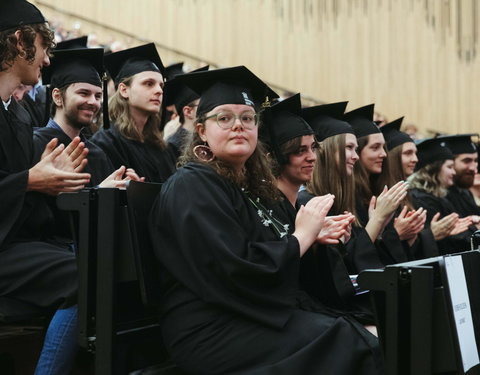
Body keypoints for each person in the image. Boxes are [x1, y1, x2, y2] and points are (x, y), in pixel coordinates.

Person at [149, 66, 383, 374]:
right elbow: (233, 268)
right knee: (352, 342)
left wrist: (313, 238)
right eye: (224, 118)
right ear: (202, 130)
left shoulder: (251, 187)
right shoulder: (191, 186)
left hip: (252, 315)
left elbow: (284, 251)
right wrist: (300, 238)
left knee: (367, 330)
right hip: (211, 329)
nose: (238, 126)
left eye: (247, 118)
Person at [0, 1, 91, 374]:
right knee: (85, 275)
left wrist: (57, 184)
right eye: (43, 46)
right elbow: (25, 183)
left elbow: (30, 197)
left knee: (98, 259)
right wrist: (30, 180)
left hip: (16, 242)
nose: (47, 60)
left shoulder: (18, 114)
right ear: (20, 41)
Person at [91, 43, 178, 182]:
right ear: (124, 90)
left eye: (161, 85)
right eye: (149, 83)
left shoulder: (160, 147)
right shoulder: (106, 144)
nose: (159, 91)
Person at [345, 104, 409, 265]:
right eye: (375, 148)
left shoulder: (376, 192)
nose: (384, 154)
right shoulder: (347, 197)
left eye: (383, 147)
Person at [380, 117, 441, 260]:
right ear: (391, 157)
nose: (415, 159)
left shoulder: (409, 196)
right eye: (408, 153)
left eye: (415, 153)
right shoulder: (381, 196)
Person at [408, 138, 474, 254]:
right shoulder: (423, 201)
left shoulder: (439, 198)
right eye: (449, 167)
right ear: (433, 170)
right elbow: (449, 239)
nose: (453, 173)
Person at [162, 65, 209, 148]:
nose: (209, 109)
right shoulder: (173, 147)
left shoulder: (206, 141)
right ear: (188, 112)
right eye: (203, 105)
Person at [440, 134, 480, 223]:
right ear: (450, 162)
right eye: (467, 161)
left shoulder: (465, 192)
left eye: (476, 161)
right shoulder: (441, 196)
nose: (474, 168)